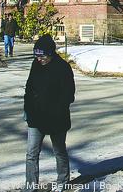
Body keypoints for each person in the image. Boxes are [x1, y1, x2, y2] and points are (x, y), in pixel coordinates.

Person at [23, 35, 75, 192]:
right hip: (36, 117)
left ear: (51, 53)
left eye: (42, 56)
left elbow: (69, 95)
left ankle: (62, 181)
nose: (39, 59)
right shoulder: (36, 65)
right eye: (37, 56)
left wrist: (56, 110)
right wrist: (27, 108)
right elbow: (29, 88)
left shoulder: (63, 68)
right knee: (31, 153)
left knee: (59, 151)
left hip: (56, 118)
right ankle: (31, 186)